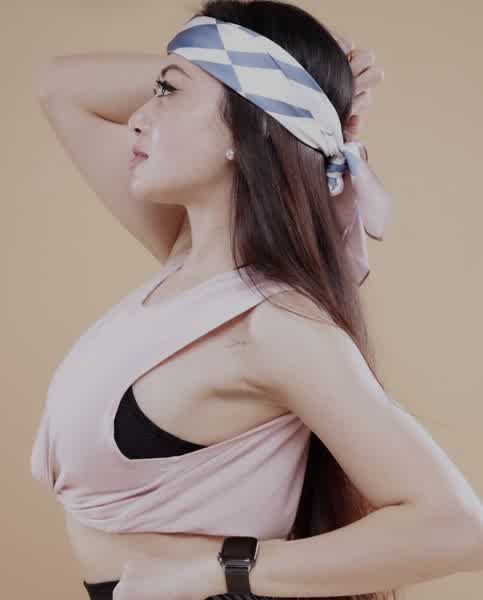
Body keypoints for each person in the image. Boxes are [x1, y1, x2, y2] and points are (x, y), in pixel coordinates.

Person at [31, 2, 483, 600]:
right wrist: (299, 91)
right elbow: (59, 86)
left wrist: (222, 570)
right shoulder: (187, 259)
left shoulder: (273, 325)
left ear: (245, 133)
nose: (137, 116)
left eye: (167, 92)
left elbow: (458, 529)